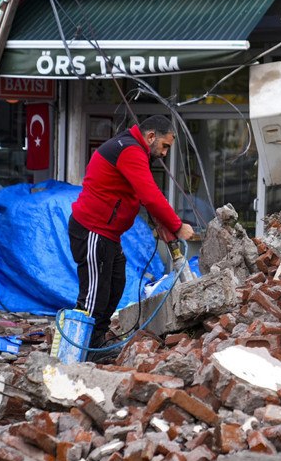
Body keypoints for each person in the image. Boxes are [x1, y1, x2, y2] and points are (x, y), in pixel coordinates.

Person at [68, 115, 194, 358]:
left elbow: (139, 192)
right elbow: (150, 195)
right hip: (93, 231)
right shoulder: (130, 151)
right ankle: (83, 350)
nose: (165, 153)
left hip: (108, 234)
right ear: (150, 137)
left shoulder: (131, 150)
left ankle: (97, 341)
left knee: (115, 285)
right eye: (164, 146)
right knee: (95, 292)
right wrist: (177, 226)